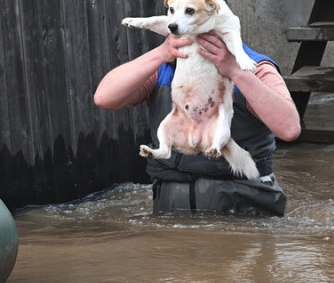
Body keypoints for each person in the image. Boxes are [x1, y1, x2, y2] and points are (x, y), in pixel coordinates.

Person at [94, 21, 301, 216]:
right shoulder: (164, 66)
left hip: (244, 209)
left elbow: (290, 129)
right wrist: (161, 53)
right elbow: (104, 98)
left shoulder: (255, 67)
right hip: (173, 212)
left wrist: (235, 71)